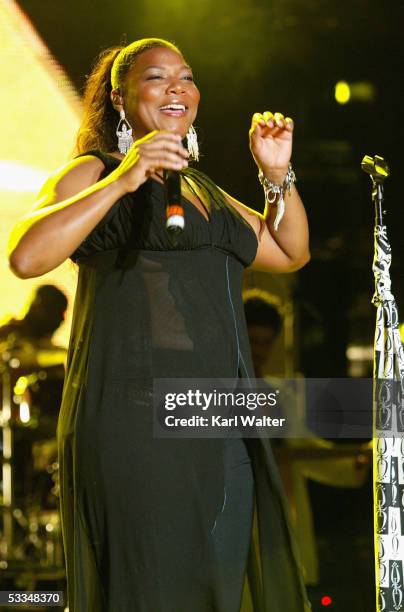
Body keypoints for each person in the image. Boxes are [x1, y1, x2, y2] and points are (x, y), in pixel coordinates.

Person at [8, 37, 311, 612]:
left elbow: (288, 250)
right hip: (136, 413)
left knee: (214, 588)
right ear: (121, 99)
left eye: (186, 76)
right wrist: (124, 178)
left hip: (217, 416)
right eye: (157, 76)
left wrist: (278, 175)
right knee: (151, 587)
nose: (177, 87)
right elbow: (26, 256)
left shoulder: (200, 188)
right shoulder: (93, 171)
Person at [243, 290, 371, 587]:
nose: (259, 350)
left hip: (282, 508)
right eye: (252, 341)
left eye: (265, 342)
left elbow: (303, 450)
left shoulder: (280, 394)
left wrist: (354, 461)